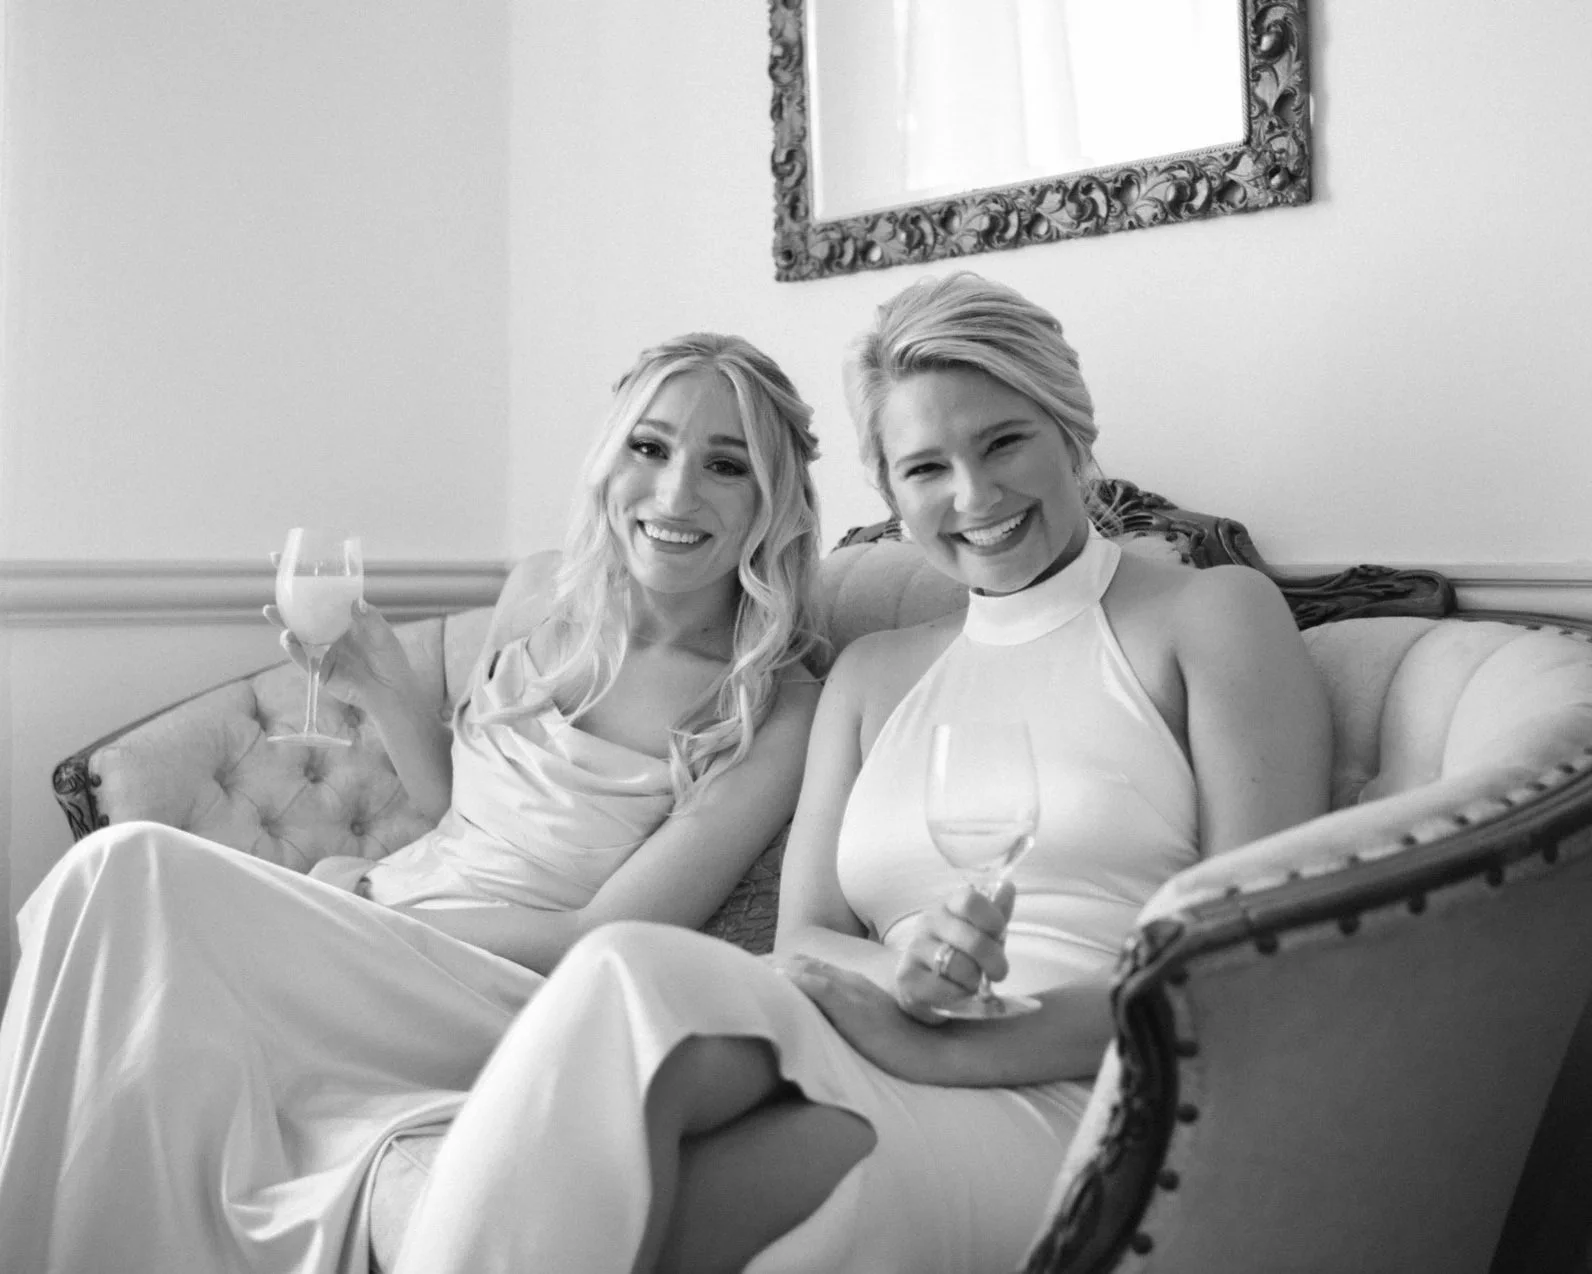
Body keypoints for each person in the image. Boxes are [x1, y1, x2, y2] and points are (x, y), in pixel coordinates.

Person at [389, 273, 1335, 1274]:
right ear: (889, 492)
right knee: (621, 968)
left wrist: (950, 1041)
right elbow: (808, 938)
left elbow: (1248, 966)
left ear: (1071, 430)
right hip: (877, 1037)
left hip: (1090, 1083)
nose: (972, 495)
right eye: (926, 466)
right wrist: (909, 981)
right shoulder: (873, 674)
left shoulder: (1209, 616)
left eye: (1003, 440)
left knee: (697, 1200)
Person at [0, 333, 826, 1274]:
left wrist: (376, 908)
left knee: (123, 867)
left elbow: (610, 935)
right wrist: (381, 687)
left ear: (771, 499)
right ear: (610, 459)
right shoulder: (540, 594)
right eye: (652, 447)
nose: (676, 494)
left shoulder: (771, 702)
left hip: (505, 989)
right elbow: (456, 812)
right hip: (380, 925)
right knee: (106, 932)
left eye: (727, 465)